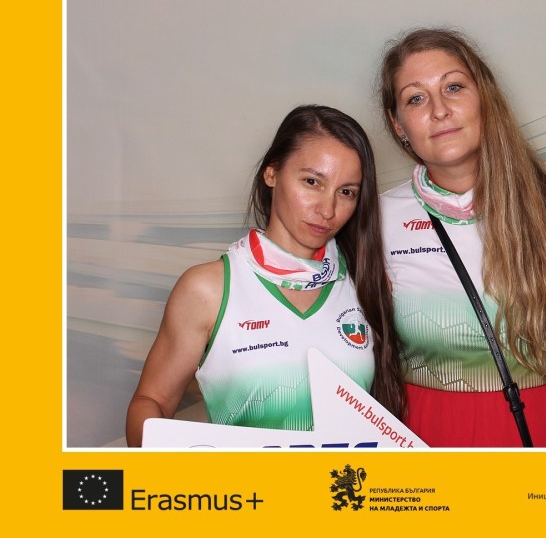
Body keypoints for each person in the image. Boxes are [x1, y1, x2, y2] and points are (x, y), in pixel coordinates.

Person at [125, 105, 404, 446]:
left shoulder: (366, 283)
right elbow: (152, 400)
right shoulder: (208, 289)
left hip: (345, 480)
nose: (328, 210)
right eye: (312, 182)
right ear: (272, 173)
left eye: (346, 192)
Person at [375, 27, 546, 447]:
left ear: (485, 97)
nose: (439, 110)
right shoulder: (376, 220)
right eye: (416, 98)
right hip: (428, 434)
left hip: (545, 426)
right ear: (397, 124)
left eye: (453, 87)